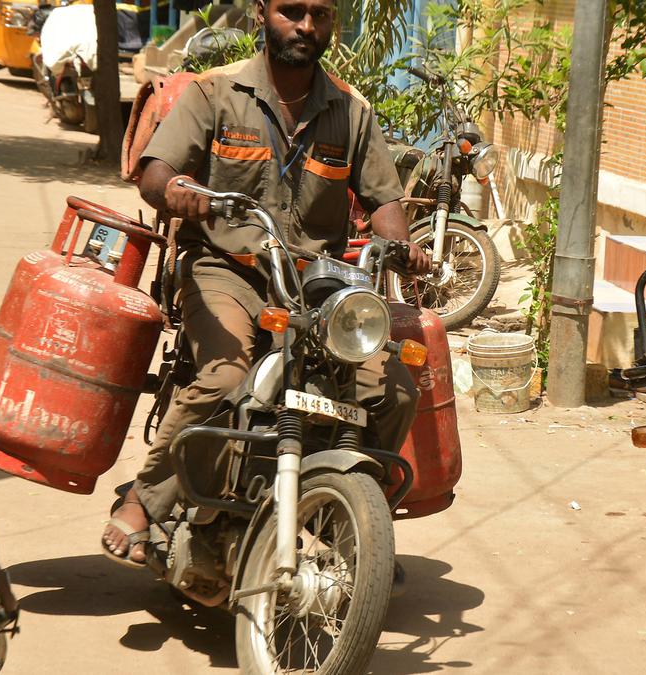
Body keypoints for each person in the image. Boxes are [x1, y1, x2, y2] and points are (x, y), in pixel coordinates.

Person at [101, 0, 430, 566]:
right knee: (227, 374)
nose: (306, 26)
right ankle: (145, 500)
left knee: (392, 385)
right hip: (226, 267)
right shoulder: (214, 93)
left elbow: (384, 199)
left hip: (315, 284)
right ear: (261, 13)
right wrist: (177, 188)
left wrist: (399, 245)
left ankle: (347, 518)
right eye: (292, 11)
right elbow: (155, 171)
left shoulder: (352, 111)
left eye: (320, 15)